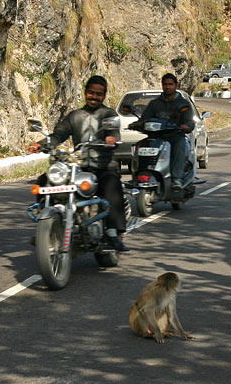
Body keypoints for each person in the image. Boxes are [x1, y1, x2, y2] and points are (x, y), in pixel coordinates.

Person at [29, 75, 129, 252]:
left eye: (99, 94)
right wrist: (42, 143)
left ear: (104, 95)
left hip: (104, 165)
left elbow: (114, 132)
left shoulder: (109, 114)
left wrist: (111, 139)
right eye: (91, 92)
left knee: (112, 185)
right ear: (85, 93)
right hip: (79, 166)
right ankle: (46, 224)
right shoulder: (74, 116)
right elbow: (58, 135)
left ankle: (113, 233)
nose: (94, 97)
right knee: (44, 180)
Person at [129, 73, 194, 190]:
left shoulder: (183, 104)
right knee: (140, 145)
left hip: (174, 135)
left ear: (176, 85)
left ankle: (176, 179)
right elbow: (145, 118)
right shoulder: (155, 104)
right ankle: (138, 175)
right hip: (156, 136)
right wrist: (136, 124)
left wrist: (186, 126)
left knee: (179, 144)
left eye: (170, 84)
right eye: (165, 84)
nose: (167, 87)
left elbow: (189, 120)